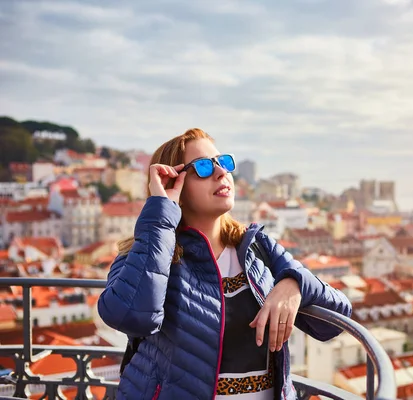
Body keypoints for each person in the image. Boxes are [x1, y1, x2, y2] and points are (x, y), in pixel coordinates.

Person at [97, 128, 352, 400]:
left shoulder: (257, 247)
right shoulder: (148, 252)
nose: (220, 172)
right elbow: (130, 317)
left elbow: (336, 319)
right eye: (204, 167)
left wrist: (294, 285)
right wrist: (161, 212)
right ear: (175, 186)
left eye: (223, 162)